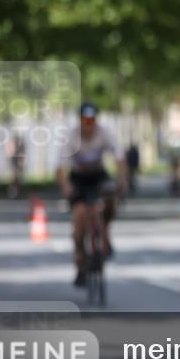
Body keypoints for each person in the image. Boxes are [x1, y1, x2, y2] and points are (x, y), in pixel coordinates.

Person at [57, 102, 128, 287]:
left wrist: (122, 180)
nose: (88, 124)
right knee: (79, 220)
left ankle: (105, 234)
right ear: (80, 121)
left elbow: (119, 157)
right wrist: (66, 186)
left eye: (91, 120)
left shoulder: (105, 132)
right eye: (85, 120)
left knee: (110, 198)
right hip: (78, 179)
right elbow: (61, 168)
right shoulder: (71, 137)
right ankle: (80, 263)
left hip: (98, 176)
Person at [6, 133, 26, 199]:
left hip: (17, 164)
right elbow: (10, 153)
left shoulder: (20, 147)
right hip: (14, 164)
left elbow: (22, 156)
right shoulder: (14, 146)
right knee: (15, 178)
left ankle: (18, 192)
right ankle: (14, 192)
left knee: (18, 179)